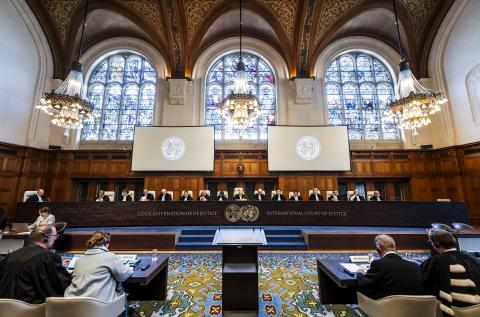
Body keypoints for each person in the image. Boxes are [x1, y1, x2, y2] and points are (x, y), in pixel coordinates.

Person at [0, 225, 71, 303]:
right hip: (28, 308)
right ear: (46, 238)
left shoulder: (11, 255)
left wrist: (55, 266)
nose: (55, 238)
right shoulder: (46, 257)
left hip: (5, 308)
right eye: (55, 236)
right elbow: (60, 287)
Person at [421, 229, 480, 316]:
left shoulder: (436, 261)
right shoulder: (474, 259)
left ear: (436, 244)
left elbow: (423, 285)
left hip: (455, 311)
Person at [64, 231, 133, 302]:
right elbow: (122, 277)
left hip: (73, 303)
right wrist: (128, 269)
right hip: (100, 306)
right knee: (118, 284)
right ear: (107, 243)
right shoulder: (110, 257)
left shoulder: (78, 260)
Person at [356, 234, 424, 300]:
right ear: (395, 248)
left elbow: (363, 284)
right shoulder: (415, 266)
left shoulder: (379, 264)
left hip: (384, 309)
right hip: (413, 309)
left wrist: (360, 272)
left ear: (378, 249)